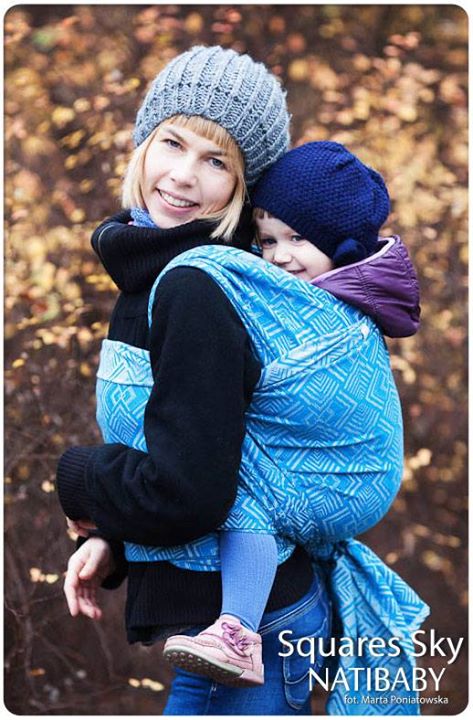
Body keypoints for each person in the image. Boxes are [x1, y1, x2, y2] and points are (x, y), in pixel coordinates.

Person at [57, 45, 331, 716]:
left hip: (248, 630)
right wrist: (115, 537)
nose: (183, 176)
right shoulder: (159, 264)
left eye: (217, 161)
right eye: (173, 143)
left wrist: (81, 478)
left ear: (243, 185)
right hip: (232, 623)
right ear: (143, 142)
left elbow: (192, 491)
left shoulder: (197, 285)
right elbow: (203, 447)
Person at [161, 141, 425, 688]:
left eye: (297, 238)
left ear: (341, 244)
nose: (279, 256)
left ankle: (237, 632)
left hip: (352, 479)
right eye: (267, 240)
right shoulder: (332, 291)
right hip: (351, 483)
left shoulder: (329, 308)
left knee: (239, 486)